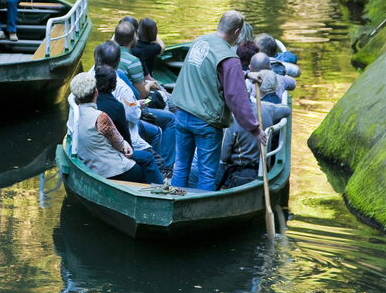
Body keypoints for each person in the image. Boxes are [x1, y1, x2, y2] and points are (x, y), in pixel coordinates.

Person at [170, 10, 266, 191]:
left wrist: (245, 74)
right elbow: (236, 99)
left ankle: (174, 202)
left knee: (181, 166)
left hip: (181, 113)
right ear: (237, 32)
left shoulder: (199, 41)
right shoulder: (229, 58)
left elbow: (209, 70)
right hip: (206, 121)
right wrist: (254, 128)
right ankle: (200, 213)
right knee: (206, 173)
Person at [69, 72, 163, 184]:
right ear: (96, 92)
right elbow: (120, 145)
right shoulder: (100, 117)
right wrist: (125, 144)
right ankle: (160, 190)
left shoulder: (74, 114)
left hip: (93, 161)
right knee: (148, 158)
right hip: (113, 169)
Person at [91, 41, 171, 172]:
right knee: (155, 160)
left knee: (156, 131)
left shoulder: (88, 77)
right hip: (124, 138)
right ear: (117, 62)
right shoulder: (121, 89)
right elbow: (133, 116)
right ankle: (165, 172)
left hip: (101, 135)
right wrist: (137, 106)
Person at [219, 99, 291, 189]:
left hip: (239, 173)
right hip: (264, 170)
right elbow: (287, 110)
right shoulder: (266, 107)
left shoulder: (231, 118)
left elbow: (223, 156)